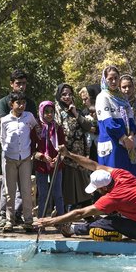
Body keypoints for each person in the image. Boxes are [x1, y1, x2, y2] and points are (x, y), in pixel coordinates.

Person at [36, 144, 136, 243]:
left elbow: (81, 213)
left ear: (104, 189)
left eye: (97, 190)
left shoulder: (113, 197)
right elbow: (94, 165)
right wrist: (69, 154)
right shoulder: (122, 175)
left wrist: (51, 221)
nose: (98, 193)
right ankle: (72, 228)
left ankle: (71, 229)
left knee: (110, 221)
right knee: (115, 217)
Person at [0, 69, 36, 227]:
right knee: (8, 188)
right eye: (18, 83)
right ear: (11, 84)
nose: (21, 86)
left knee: (25, 188)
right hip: (9, 152)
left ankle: (25, 217)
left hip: (25, 153)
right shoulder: (3, 102)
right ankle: (5, 217)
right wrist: (6, 150)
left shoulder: (30, 104)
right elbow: (3, 133)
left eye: (24, 83)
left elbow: (34, 127)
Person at [54, 83, 93, 211]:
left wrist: (75, 113)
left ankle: (86, 212)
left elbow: (87, 126)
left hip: (79, 154)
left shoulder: (76, 111)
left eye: (70, 94)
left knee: (83, 183)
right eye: (64, 94)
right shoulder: (56, 111)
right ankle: (65, 212)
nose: (67, 97)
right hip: (65, 153)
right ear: (59, 96)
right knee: (68, 184)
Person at [95, 66, 136, 177]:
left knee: (129, 179)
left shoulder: (123, 98)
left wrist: (131, 136)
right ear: (105, 79)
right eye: (110, 79)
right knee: (114, 179)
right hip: (113, 145)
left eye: (116, 78)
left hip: (127, 144)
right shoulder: (102, 97)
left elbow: (131, 120)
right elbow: (108, 124)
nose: (113, 81)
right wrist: (124, 138)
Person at [33, 101, 66, 221]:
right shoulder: (36, 128)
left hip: (56, 165)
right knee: (43, 195)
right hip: (41, 166)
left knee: (58, 195)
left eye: (51, 112)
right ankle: (41, 220)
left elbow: (63, 146)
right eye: (46, 112)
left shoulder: (57, 128)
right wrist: (42, 157)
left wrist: (59, 157)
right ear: (41, 112)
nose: (49, 115)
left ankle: (62, 221)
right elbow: (32, 149)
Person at [119, 75, 136, 168]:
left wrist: (132, 135)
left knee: (135, 168)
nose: (127, 89)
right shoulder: (116, 104)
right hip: (121, 140)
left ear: (133, 87)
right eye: (124, 87)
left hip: (135, 140)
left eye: (129, 86)